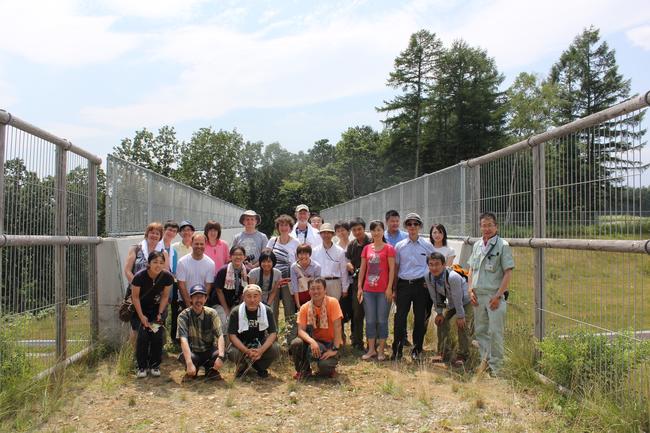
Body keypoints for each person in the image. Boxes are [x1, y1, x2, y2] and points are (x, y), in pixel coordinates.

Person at [468, 212, 514, 376]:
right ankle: (484, 363)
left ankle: (497, 369)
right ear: (480, 227)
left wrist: (498, 296)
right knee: (481, 331)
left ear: (496, 227)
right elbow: (471, 269)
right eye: (483, 225)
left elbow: (508, 273)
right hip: (478, 296)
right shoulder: (477, 245)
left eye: (490, 225)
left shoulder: (503, 245)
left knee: (495, 332)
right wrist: (470, 289)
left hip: (494, 297)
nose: (486, 228)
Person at [392, 212, 434, 361]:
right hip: (403, 285)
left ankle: (417, 350)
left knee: (419, 319)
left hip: (420, 286)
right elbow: (396, 268)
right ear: (406, 227)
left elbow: (434, 262)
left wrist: (428, 278)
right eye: (409, 224)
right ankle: (397, 350)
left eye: (415, 224)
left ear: (420, 227)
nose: (412, 227)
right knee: (400, 318)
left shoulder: (427, 245)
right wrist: (394, 288)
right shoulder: (400, 246)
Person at [425, 252, 473, 367]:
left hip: (465, 301)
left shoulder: (453, 277)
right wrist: (439, 313)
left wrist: (461, 316)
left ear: (444, 265)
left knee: (462, 325)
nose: (434, 267)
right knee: (442, 322)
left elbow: (458, 298)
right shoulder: (428, 276)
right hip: (452, 302)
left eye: (437, 264)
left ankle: (463, 355)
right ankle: (443, 353)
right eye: (431, 264)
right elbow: (434, 296)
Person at [131, 251, 174, 378]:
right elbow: (135, 298)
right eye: (155, 262)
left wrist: (160, 313)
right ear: (148, 263)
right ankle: (141, 367)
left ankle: (155, 365)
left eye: (161, 262)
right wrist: (141, 316)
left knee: (157, 335)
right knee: (143, 335)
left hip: (156, 311)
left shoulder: (167, 277)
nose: (158, 265)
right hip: (139, 311)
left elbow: (165, 296)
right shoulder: (139, 277)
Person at [357, 220, 395, 361]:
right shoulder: (367, 248)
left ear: (383, 231)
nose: (376, 233)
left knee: (382, 320)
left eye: (379, 230)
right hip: (368, 290)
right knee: (371, 320)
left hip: (383, 290)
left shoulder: (389, 248)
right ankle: (371, 349)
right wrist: (360, 287)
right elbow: (362, 269)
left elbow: (392, 270)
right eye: (373, 230)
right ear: (371, 232)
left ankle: (381, 351)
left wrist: (390, 287)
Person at [290, 278, 343, 379]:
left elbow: (338, 327)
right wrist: (312, 342)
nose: (316, 291)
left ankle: (330, 366)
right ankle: (303, 371)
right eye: (313, 289)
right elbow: (300, 330)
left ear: (325, 290)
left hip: (330, 343)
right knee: (296, 343)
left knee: (324, 367)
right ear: (309, 291)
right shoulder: (305, 307)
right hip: (315, 342)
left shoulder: (333, 302)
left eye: (319, 288)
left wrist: (335, 349)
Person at [124, 222, 168, 339]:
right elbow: (128, 270)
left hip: (156, 295)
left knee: (155, 324)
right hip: (137, 293)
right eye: (152, 232)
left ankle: (153, 350)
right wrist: (137, 285)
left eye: (157, 233)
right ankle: (135, 354)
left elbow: (165, 274)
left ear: (160, 236)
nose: (154, 235)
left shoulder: (163, 253)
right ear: (147, 233)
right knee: (136, 325)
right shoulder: (135, 249)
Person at [227, 284, 280, 378]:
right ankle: (242, 367)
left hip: (259, 343)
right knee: (232, 352)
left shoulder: (267, 311)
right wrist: (246, 351)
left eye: (255, 296)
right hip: (242, 343)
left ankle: (260, 367)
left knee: (275, 348)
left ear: (260, 297)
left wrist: (261, 350)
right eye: (248, 296)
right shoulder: (236, 312)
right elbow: (232, 336)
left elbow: (273, 333)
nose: (252, 300)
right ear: (243, 297)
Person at [176, 284, 226, 380]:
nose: (198, 300)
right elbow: (183, 340)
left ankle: (211, 370)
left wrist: (221, 356)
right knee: (189, 360)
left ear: (206, 299)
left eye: (201, 297)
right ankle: (192, 370)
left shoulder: (212, 313)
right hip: (193, 352)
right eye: (195, 297)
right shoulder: (183, 316)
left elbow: (220, 335)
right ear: (191, 299)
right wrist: (189, 362)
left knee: (221, 353)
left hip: (208, 350)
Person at [266, 214, 300, 342]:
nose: (284, 227)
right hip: (274, 280)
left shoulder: (295, 242)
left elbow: (298, 262)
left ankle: (290, 338)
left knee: (289, 309)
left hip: (289, 281)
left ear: (290, 227)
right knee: (272, 309)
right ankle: (272, 338)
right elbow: (266, 258)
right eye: (281, 225)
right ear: (278, 227)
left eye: (286, 225)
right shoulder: (272, 241)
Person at [344, 217, 371, 351]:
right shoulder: (352, 245)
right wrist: (349, 265)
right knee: (358, 313)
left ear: (364, 229)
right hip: (357, 283)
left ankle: (373, 342)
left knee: (372, 314)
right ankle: (357, 341)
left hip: (373, 283)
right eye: (354, 230)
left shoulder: (372, 242)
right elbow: (348, 259)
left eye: (359, 229)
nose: (357, 232)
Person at [423, 223, 457, 330]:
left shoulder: (449, 250)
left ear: (444, 234)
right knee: (425, 313)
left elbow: (448, 267)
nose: (437, 235)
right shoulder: (427, 248)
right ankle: (420, 340)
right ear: (431, 234)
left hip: (442, 288)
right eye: (434, 232)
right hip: (427, 285)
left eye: (440, 232)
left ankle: (442, 339)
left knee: (442, 312)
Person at [212, 245, 249, 332]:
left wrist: (240, 306)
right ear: (230, 256)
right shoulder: (223, 271)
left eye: (240, 254)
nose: (238, 257)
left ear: (244, 257)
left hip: (236, 302)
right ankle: (223, 343)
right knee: (224, 321)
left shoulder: (247, 271)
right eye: (235, 254)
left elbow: (246, 290)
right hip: (220, 303)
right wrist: (226, 309)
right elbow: (218, 290)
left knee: (238, 320)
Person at [176, 233, 215, 311]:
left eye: (201, 244)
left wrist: (201, 303)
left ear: (205, 245)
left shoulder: (210, 263)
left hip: (202, 303)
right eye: (196, 244)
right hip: (185, 301)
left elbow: (208, 285)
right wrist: (188, 304)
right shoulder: (182, 262)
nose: (199, 246)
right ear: (191, 244)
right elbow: (181, 285)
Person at [312, 223, 349, 301]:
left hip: (335, 282)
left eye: (328, 232)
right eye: (323, 233)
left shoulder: (340, 251)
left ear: (332, 234)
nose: (326, 235)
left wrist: (344, 288)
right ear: (320, 234)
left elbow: (343, 271)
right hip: (319, 282)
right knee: (320, 307)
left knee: (334, 307)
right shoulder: (315, 251)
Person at [158, 220, 181, 344]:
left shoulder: (174, 251)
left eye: (174, 231)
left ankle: (161, 343)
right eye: (169, 230)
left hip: (167, 287)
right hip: (155, 286)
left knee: (163, 313)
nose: (171, 232)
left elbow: (173, 271)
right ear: (164, 230)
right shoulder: (156, 246)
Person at [290, 244, 321, 309]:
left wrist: (315, 302)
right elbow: (294, 286)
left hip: (313, 297)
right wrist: (298, 305)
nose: (303, 256)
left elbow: (318, 286)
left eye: (306, 254)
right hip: (299, 297)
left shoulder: (316, 267)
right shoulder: (294, 267)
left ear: (310, 254)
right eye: (301, 254)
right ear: (297, 255)